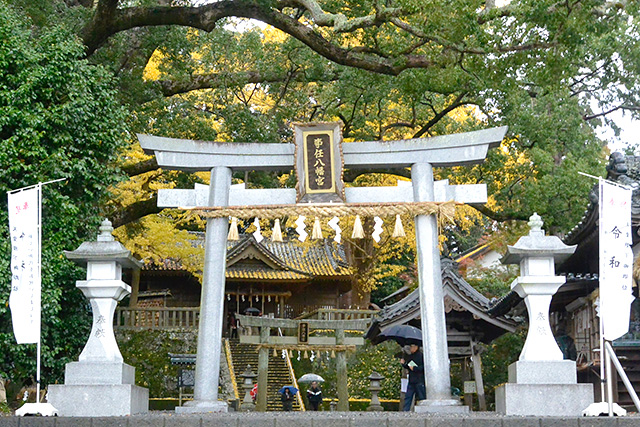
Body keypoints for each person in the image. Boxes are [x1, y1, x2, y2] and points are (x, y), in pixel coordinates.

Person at [400, 342, 425, 411]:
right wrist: (404, 364)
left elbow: (424, 367)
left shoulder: (421, 356)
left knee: (421, 397)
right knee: (408, 396)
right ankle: (406, 410)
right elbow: (408, 366)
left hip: (419, 380)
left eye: (412, 347)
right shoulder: (411, 356)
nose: (411, 348)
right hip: (411, 380)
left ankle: (423, 410)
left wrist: (415, 368)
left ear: (416, 347)